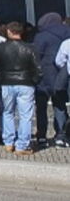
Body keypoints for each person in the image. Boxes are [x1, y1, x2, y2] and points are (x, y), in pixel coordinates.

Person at [0, 22, 43, 155]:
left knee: (8, 112)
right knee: (25, 116)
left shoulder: (0, 48)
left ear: (9, 31)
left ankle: (8, 142)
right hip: (26, 83)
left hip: (7, 83)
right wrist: (34, 80)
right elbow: (38, 69)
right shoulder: (30, 48)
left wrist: (2, 78)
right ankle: (22, 145)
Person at [32, 12, 70, 149]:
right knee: (59, 106)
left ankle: (41, 136)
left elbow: (35, 55)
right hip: (62, 76)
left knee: (41, 107)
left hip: (44, 76)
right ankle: (61, 134)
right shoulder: (68, 33)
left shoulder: (41, 36)